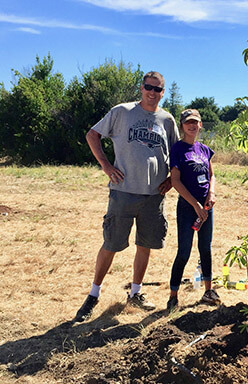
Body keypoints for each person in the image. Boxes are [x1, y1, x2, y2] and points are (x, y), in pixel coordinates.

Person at [75, 71, 179, 322]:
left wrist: (170, 180)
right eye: (148, 87)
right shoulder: (122, 112)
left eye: (158, 89)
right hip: (123, 192)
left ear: (163, 92)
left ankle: (136, 293)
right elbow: (92, 135)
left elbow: (176, 152)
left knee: (145, 245)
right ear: (141, 88)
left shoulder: (166, 120)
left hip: (153, 196)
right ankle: (93, 294)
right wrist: (106, 166)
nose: (152, 93)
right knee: (111, 243)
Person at [167, 109, 218, 313]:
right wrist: (195, 205)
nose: (192, 126)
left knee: (205, 248)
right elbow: (175, 181)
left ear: (200, 125)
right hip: (188, 207)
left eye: (195, 122)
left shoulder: (204, 149)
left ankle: (208, 291)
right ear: (182, 125)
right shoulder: (178, 149)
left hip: (206, 206)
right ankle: (173, 296)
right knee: (184, 251)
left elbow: (212, 175)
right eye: (188, 122)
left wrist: (211, 194)